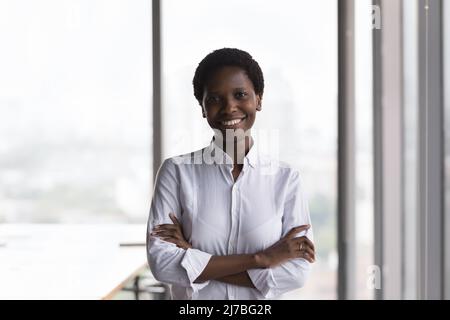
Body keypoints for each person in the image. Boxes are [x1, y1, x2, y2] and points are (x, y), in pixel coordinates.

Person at [146, 48, 315, 300]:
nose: (229, 107)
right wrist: (263, 259)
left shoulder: (286, 179)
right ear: (202, 107)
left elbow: (297, 272)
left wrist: (193, 258)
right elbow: (163, 263)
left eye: (240, 95)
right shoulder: (176, 172)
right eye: (214, 99)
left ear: (258, 99)